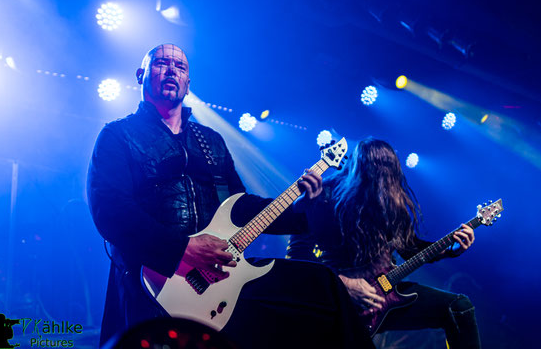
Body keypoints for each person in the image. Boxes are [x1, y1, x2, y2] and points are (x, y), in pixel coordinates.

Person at [87, 44, 374, 348]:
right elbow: (110, 209)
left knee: (323, 286)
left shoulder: (210, 140)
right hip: (151, 280)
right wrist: (182, 249)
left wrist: (300, 209)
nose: (172, 69)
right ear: (141, 75)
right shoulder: (117, 135)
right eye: (161, 63)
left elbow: (240, 207)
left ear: (188, 84)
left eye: (180, 67)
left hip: (221, 275)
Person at [287, 138, 481, 348]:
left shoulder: (391, 204)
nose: (380, 174)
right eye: (374, 165)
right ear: (358, 166)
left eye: (387, 167)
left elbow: (410, 248)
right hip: (338, 302)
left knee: (458, 307)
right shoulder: (326, 194)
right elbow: (297, 256)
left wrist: (449, 250)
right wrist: (345, 284)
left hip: (385, 294)